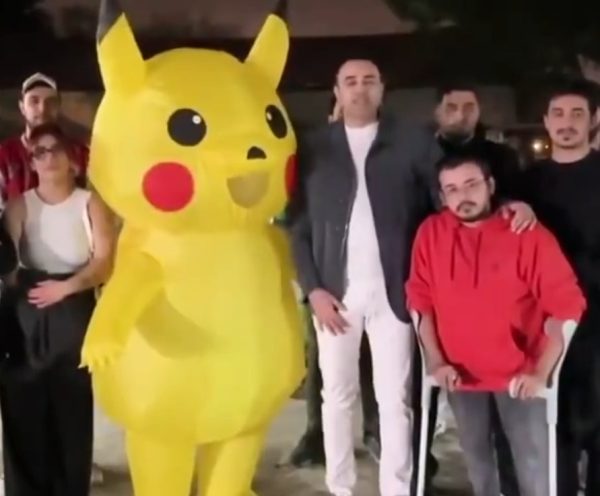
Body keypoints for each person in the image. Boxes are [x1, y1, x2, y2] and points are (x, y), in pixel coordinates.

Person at [288, 58, 442, 496]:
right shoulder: (314, 148)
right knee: (336, 398)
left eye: (369, 80)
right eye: (350, 81)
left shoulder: (412, 142)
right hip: (334, 295)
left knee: (395, 401)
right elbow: (297, 226)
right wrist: (313, 289)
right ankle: (341, 488)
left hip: (396, 293)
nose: (360, 89)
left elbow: (443, 204)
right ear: (337, 91)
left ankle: (397, 488)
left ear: (382, 88)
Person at [406, 155, 586, 496]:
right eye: (452, 189)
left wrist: (542, 372)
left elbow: (566, 307)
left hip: (520, 374)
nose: (463, 196)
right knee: (478, 461)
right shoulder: (431, 233)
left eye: (471, 184)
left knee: (532, 463)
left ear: (490, 186)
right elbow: (421, 303)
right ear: (442, 197)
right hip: (460, 372)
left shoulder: (525, 233)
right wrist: (435, 361)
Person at [1, 123, 114, 496]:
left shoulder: (90, 203)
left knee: (71, 407)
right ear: (32, 162)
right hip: (27, 313)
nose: (48, 158)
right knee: (24, 406)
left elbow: (104, 262)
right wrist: (25, 292)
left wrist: (67, 287)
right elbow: (9, 266)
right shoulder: (19, 206)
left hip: (73, 309)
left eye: (55, 150)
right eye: (39, 152)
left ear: (72, 160)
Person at [427, 83, 527, 495]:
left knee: (507, 429)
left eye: (469, 106)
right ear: (438, 111)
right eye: (452, 106)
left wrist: (521, 205)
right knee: (460, 428)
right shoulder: (421, 152)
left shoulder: (501, 158)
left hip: (495, 293)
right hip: (436, 283)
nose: (461, 113)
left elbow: (518, 208)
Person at [288, 94, 380, 468]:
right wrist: (312, 286)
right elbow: (297, 225)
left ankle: (376, 433)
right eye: (341, 112)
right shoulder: (314, 160)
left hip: (374, 286)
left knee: (375, 365)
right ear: (331, 117)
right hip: (325, 285)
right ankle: (317, 437)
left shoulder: (376, 156)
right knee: (323, 369)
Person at [523, 79, 600, 496]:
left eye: (577, 114)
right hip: (547, 322)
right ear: (546, 121)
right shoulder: (527, 184)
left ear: (594, 120)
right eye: (558, 114)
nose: (567, 123)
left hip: (598, 317)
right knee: (556, 422)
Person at [0, 73, 88, 209]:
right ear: (22, 107)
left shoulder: (80, 152)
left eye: (50, 102)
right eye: (34, 101)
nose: (42, 109)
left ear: (58, 107)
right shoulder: (4, 155)